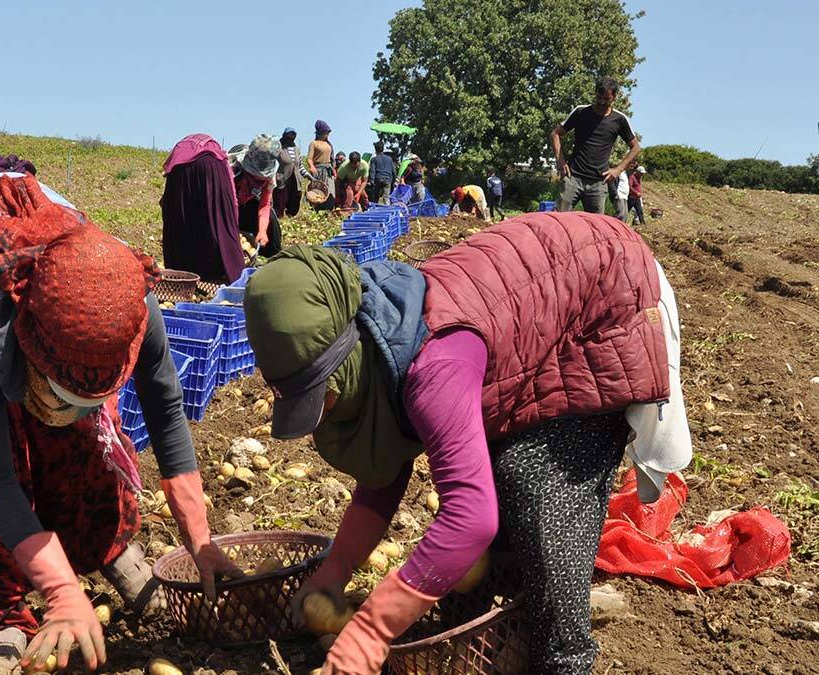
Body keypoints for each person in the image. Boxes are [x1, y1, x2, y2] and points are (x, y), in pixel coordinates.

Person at [242, 211, 690, 674]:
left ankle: (565, 657)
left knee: (534, 480)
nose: (323, 413)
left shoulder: (433, 364)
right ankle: (504, 616)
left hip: (607, 294)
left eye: (324, 395)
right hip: (535, 304)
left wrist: (373, 628)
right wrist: (336, 570)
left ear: (345, 357)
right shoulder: (377, 340)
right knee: (490, 476)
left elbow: (471, 521)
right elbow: (384, 468)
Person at [0, 172, 242, 674]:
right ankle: (2, 607)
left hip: (66, 287)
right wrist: (59, 590)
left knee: (92, 438)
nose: (70, 406)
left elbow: (166, 411)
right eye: (61, 392)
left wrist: (199, 537)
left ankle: (106, 547)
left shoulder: (129, 299)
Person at [159, 134, 245, 284]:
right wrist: (233, 228)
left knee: (181, 220)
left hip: (180, 169)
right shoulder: (220, 160)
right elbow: (231, 202)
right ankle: (234, 276)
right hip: (210, 167)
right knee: (219, 220)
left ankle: (182, 277)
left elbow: (167, 206)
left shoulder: (183, 149)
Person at [551, 77, 640, 213]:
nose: (602, 102)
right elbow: (555, 134)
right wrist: (561, 161)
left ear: (614, 97)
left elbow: (636, 147)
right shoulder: (581, 112)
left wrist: (618, 169)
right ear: (595, 93)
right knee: (560, 219)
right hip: (573, 177)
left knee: (596, 223)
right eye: (599, 97)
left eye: (607, 99)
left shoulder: (619, 119)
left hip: (598, 182)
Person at [230, 134, 283, 257]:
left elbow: (264, 205)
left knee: (272, 223)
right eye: (255, 176)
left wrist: (262, 231)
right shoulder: (232, 170)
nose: (259, 181)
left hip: (247, 203)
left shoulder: (269, 177)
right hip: (227, 205)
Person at [273, 128, 305, 218]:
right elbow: (271, 161)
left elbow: (300, 166)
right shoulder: (279, 149)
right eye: (289, 135)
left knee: (294, 201)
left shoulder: (296, 150)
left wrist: (310, 177)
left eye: (293, 135)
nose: (291, 137)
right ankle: (279, 218)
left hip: (295, 180)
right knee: (281, 200)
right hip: (283, 179)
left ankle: (290, 217)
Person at [306, 120, 335, 200]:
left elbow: (332, 159)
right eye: (326, 133)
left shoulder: (328, 144)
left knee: (329, 192)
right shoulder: (314, 143)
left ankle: (329, 205)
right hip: (318, 170)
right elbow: (309, 158)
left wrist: (333, 169)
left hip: (328, 171)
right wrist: (311, 166)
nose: (327, 135)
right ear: (320, 133)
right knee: (317, 192)